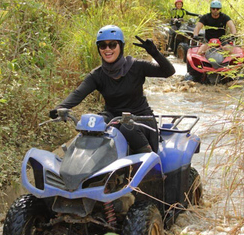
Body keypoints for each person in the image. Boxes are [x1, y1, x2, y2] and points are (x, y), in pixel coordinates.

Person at [49, 25, 175, 154]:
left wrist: (155, 53)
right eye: (103, 45)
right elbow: (78, 93)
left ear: (120, 47)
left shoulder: (137, 66)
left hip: (141, 119)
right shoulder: (97, 75)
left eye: (112, 45)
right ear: (99, 49)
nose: (107, 49)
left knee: (127, 128)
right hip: (113, 118)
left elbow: (168, 71)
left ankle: (150, 165)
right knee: (92, 126)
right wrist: (60, 107)